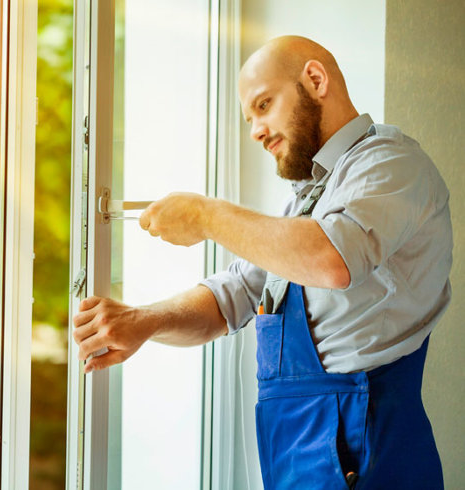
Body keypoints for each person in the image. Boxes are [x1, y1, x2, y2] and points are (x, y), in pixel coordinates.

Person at [72, 36, 452, 489]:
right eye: (249, 118)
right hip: (300, 451)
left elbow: (332, 259)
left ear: (314, 80)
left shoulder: (390, 162)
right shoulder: (310, 204)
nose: (255, 130)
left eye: (264, 105)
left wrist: (204, 214)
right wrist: (143, 322)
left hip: (365, 453)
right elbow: (233, 294)